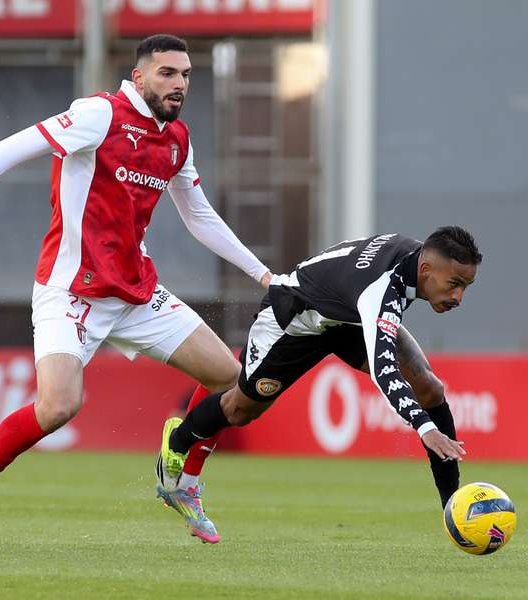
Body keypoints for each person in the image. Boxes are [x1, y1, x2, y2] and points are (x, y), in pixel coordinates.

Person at [0, 34, 272, 547]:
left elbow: (198, 215)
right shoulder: (97, 115)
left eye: (186, 75)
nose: (178, 85)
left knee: (230, 379)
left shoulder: (177, 137)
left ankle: (182, 476)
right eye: (167, 73)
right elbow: (12, 147)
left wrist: (263, 274)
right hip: (72, 293)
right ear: (139, 76)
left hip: (135, 292)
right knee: (58, 407)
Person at [156, 226, 480, 540]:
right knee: (240, 408)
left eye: (465, 286)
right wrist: (426, 428)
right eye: (454, 284)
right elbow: (384, 372)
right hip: (293, 318)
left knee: (429, 387)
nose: (459, 296)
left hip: (343, 318)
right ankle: (179, 438)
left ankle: (452, 507)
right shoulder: (381, 290)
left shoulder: (413, 263)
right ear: (426, 269)